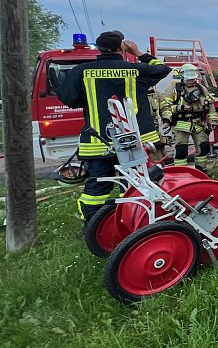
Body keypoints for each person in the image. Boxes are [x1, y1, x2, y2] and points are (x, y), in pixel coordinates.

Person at [55, 31, 171, 223]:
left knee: (97, 187)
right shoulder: (136, 70)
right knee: (138, 183)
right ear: (122, 48)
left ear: (99, 48)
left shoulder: (81, 72)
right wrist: (139, 53)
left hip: (98, 142)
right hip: (135, 141)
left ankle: (94, 228)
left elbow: (69, 99)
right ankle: (138, 223)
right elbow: (163, 69)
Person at [160, 63, 217, 171]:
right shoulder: (173, 90)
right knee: (181, 150)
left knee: (203, 147)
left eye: (193, 79)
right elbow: (165, 107)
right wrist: (178, 109)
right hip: (181, 123)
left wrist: (213, 120)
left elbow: (210, 105)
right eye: (189, 79)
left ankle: (201, 170)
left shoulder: (202, 89)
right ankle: (181, 173)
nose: (191, 81)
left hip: (199, 123)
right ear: (182, 77)